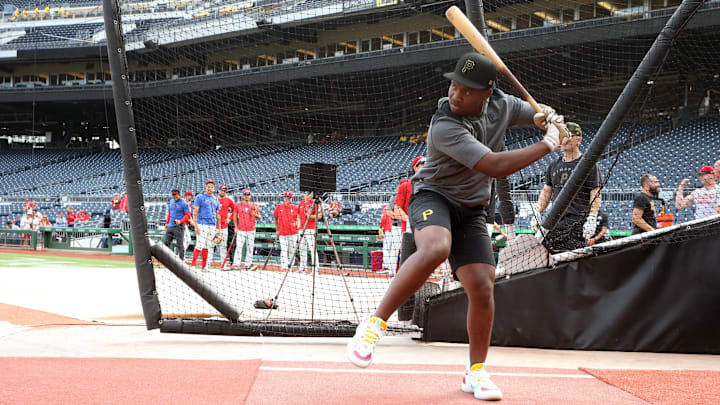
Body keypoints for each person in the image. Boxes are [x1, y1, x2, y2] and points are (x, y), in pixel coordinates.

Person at [346, 52, 569, 401]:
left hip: (473, 210)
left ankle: (475, 372)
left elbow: (534, 112)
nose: (456, 94)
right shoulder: (445, 124)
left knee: (482, 286)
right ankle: (373, 325)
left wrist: (547, 117)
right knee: (436, 247)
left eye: (466, 90)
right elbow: (494, 165)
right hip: (434, 196)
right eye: (454, 85)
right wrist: (549, 143)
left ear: (487, 93)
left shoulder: (504, 104)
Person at [535, 122, 601, 252]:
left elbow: (596, 192)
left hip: (577, 224)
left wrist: (592, 217)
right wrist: (538, 212)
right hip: (554, 223)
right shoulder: (553, 165)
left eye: (566, 137)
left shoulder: (588, 164)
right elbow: (547, 191)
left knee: (572, 262)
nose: (562, 141)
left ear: (578, 140)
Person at [384, 156, 426, 275]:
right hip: (404, 226)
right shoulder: (406, 185)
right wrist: (408, 219)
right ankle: (395, 274)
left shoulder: (430, 184)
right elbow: (396, 208)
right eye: (420, 164)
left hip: (423, 224)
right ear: (415, 167)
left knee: (422, 253)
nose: (423, 166)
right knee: (402, 252)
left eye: (424, 164)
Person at [190, 179, 221, 272]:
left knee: (207, 246)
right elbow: (195, 212)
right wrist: (195, 226)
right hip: (202, 224)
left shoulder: (215, 199)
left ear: (214, 188)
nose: (209, 188)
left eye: (211, 186)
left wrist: (219, 229)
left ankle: (204, 267)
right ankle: (192, 266)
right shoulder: (200, 198)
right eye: (208, 186)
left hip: (212, 225)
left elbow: (218, 214)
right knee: (199, 244)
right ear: (205, 187)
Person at [233, 188, 261, 270]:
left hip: (251, 229)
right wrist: (235, 227)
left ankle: (247, 264)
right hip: (241, 229)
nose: (246, 196)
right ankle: (236, 263)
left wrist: (255, 215)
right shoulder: (238, 205)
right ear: (242, 195)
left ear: (250, 196)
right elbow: (234, 216)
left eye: (248, 195)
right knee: (239, 246)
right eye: (245, 195)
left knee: (250, 247)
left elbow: (259, 217)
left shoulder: (254, 205)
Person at [273, 191, 299, 272]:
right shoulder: (279, 207)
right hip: (282, 233)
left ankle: (290, 267)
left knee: (292, 250)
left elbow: (299, 217)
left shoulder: (295, 207)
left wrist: (297, 222)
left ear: (292, 198)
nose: (287, 199)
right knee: (284, 250)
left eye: (289, 198)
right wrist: (277, 230)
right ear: (284, 198)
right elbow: (275, 219)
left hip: (293, 233)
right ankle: (284, 267)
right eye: (286, 197)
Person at [297, 190, 322, 274]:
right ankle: (303, 268)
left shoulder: (314, 203)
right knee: (302, 249)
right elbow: (298, 214)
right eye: (305, 193)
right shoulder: (301, 203)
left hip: (310, 228)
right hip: (301, 228)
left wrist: (310, 216)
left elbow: (319, 216)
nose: (306, 195)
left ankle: (315, 269)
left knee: (312, 249)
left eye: (308, 193)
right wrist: (298, 222)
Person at [163, 189, 191, 259]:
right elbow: (170, 212)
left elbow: (188, 215)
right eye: (173, 195)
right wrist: (167, 223)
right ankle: (165, 259)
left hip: (179, 227)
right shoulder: (171, 201)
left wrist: (180, 221)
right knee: (166, 243)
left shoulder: (184, 203)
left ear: (179, 194)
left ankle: (181, 261)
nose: (174, 196)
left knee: (180, 244)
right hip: (170, 226)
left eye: (175, 194)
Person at [216, 184, 235, 269]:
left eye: (225, 191)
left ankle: (222, 265)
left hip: (224, 226)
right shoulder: (214, 199)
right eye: (222, 190)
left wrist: (230, 218)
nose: (223, 192)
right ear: (218, 190)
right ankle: (207, 265)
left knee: (223, 246)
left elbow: (235, 210)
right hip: (214, 226)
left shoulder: (228, 200)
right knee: (210, 246)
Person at [378, 205, 393, 273]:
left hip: (389, 230)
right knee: (394, 250)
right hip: (398, 229)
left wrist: (381, 227)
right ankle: (393, 268)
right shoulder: (398, 207)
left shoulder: (386, 208)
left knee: (386, 249)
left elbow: (383, 219)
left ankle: (386, 267)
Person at [183, 190, 194, 255]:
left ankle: (181, 256)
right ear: (187, 196)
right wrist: (192, 222)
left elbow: (189, 215)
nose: (191, 197)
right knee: (187, 240)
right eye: (190, 196)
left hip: (185, 225)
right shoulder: (183, 203)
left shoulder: (188, 204)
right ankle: (180, 256)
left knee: (186, 241)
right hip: (181, 224)